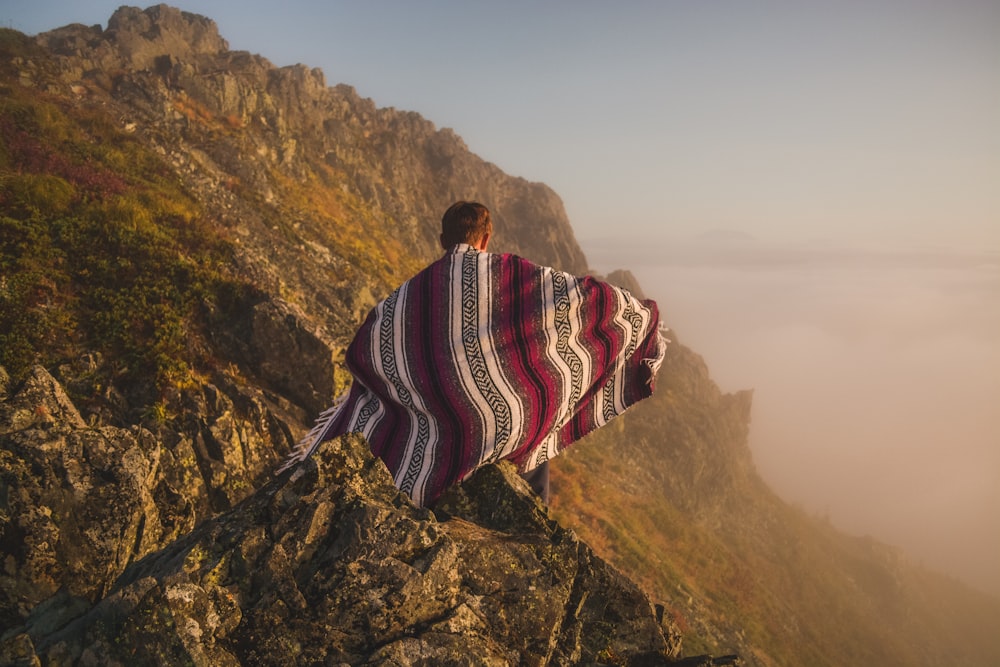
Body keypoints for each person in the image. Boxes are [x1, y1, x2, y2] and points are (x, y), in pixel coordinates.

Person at [278, 201, 667, 507]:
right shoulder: (506, 272)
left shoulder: (412, 292)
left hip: (448, 423)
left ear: (442, 239)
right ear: (485, 238)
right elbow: (575, 295)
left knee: (435, 434)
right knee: (533, 419)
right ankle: (529, 517)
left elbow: (365, 348)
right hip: (501, 421)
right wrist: (640, 315)